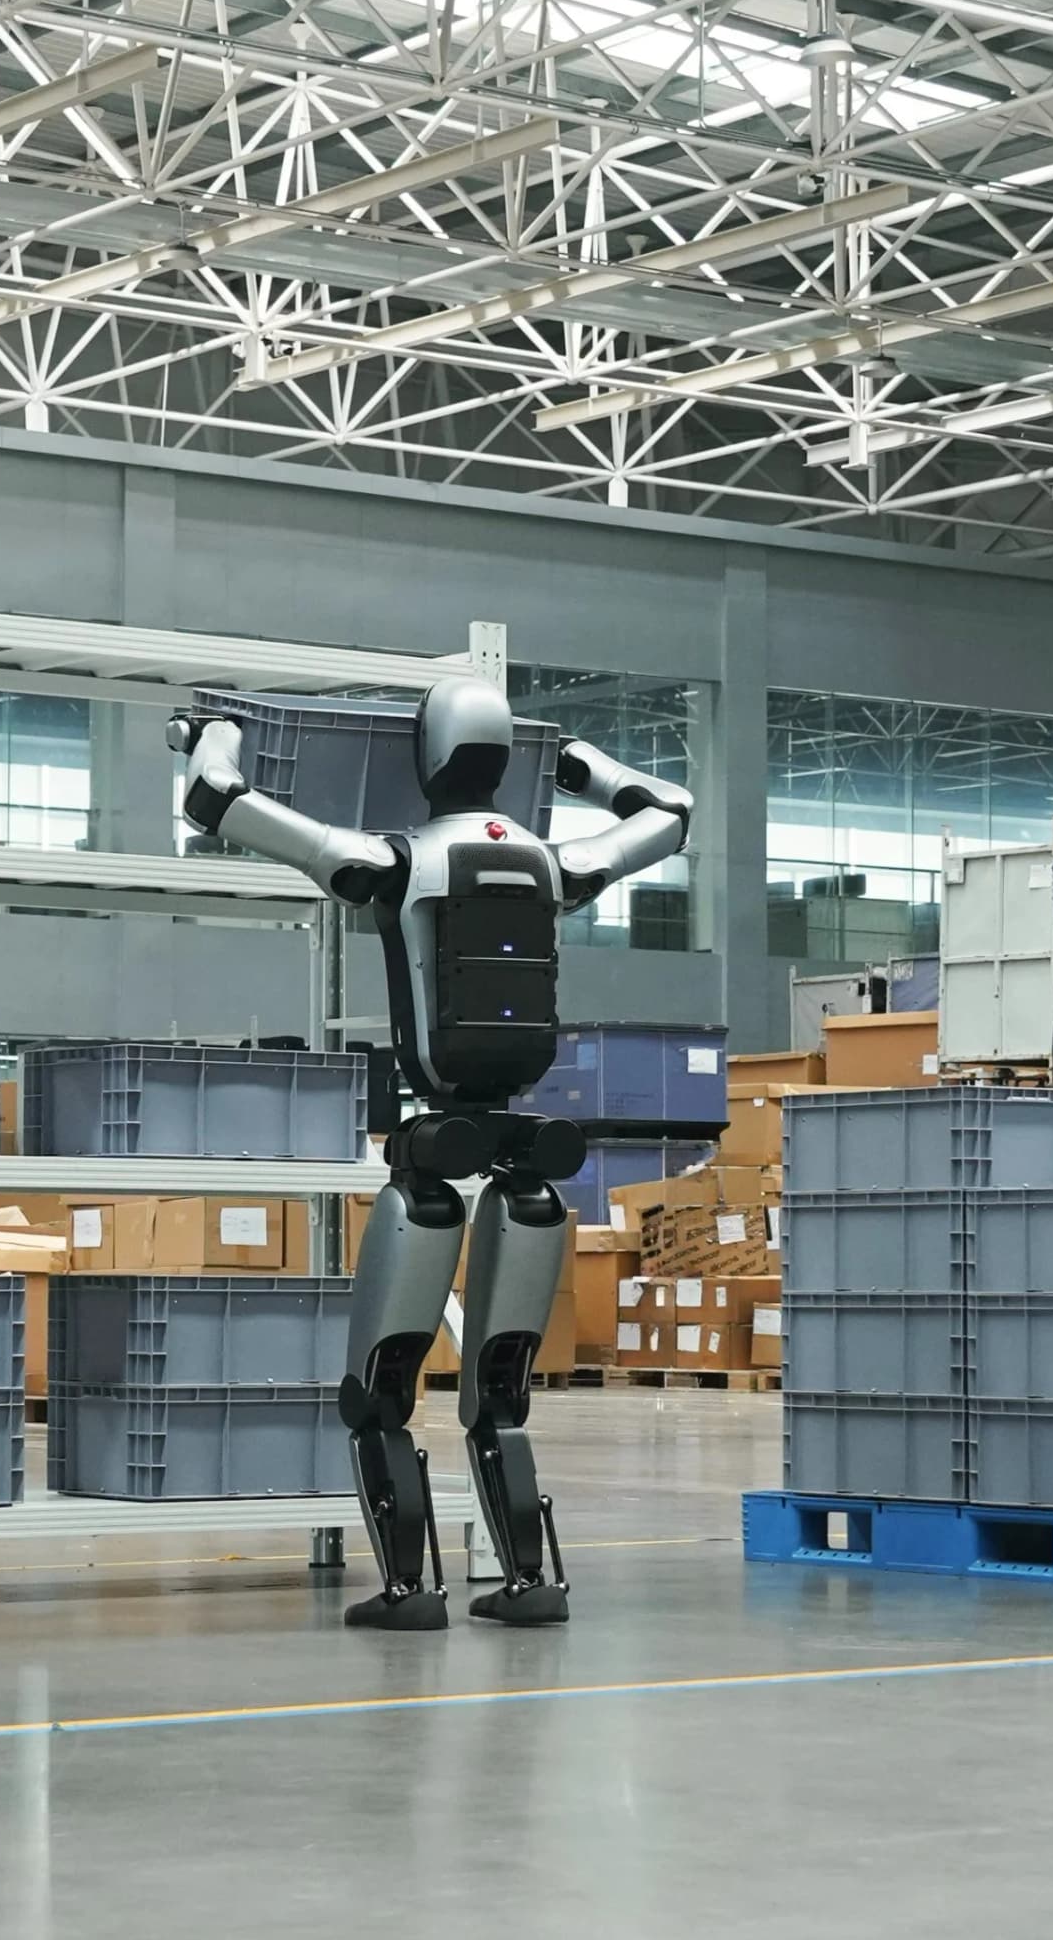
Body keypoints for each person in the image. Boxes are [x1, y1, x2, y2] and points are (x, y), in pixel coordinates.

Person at [173, 679, 689, 1628]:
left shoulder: (392, 861)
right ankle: (533, 1583)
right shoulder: (551, 864)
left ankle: (411, 1591)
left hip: (435, 1138)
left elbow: (220, 804)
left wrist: (219, 733)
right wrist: (582, 770)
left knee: (380, 1391)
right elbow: (670, 814)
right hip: (530, 1143)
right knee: (503, 1389)